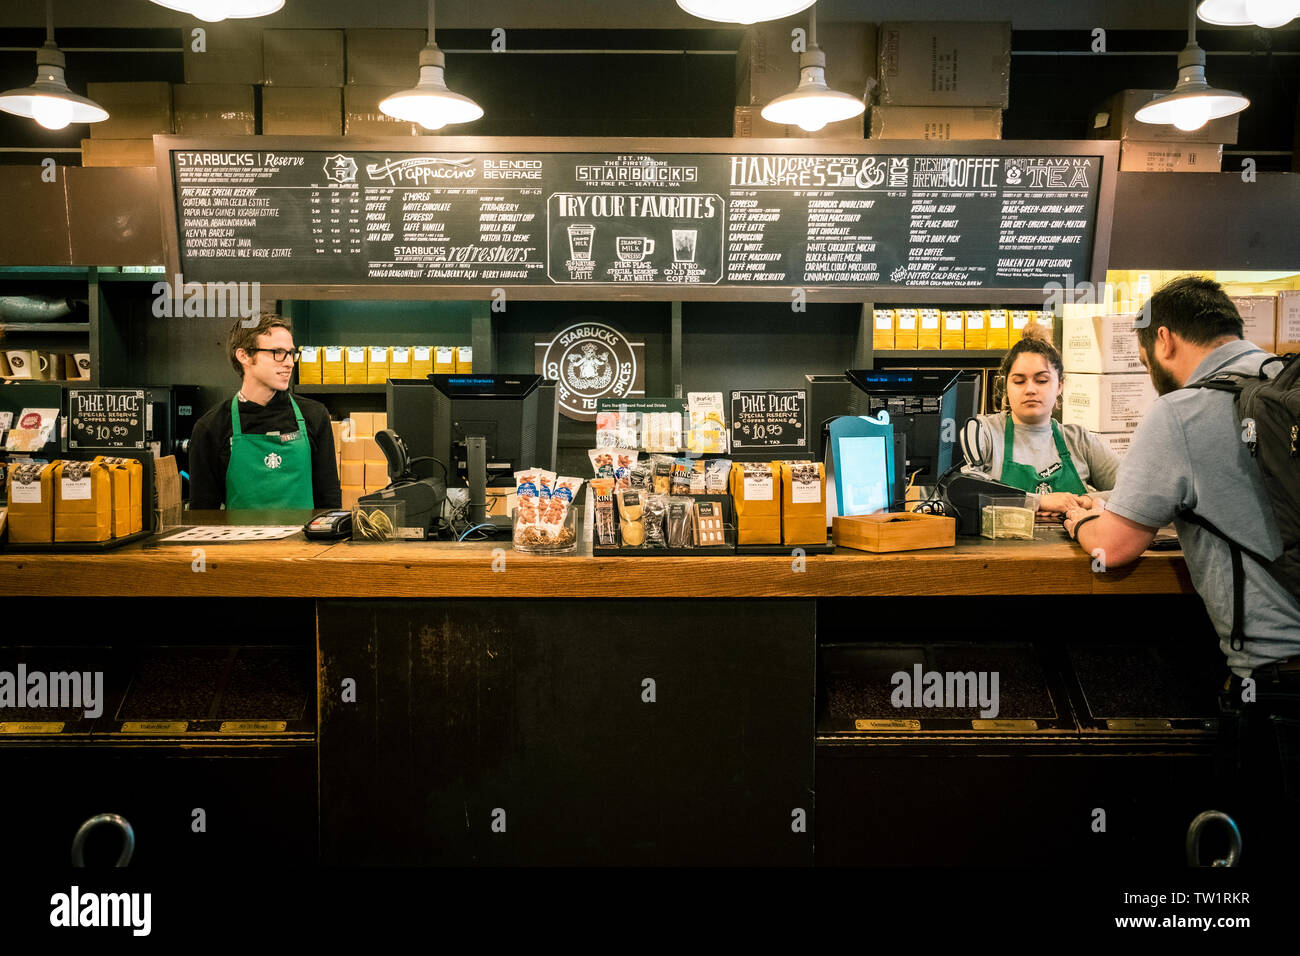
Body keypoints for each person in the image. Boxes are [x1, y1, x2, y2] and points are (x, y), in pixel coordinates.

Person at [1061, 276, 1300, 863]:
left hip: (1279, 690)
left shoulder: (1183, 411)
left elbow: (1113, 550)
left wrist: (1078, 518)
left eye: (1144, 359)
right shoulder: (1285, 386)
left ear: (1163, 340)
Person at [963, 326, 1120, 516]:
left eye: (1042, 380)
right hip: (1002, 545)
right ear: (1005, 385)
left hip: (1073, 545)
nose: (1030, 389)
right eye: (1019, 381)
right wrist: (1038, 501)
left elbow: (1136, 488)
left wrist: (1088, 501)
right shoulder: (985, 432)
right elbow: (963, 490)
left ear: (1060, 385)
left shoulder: (1079, 440)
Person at [189, 314, 340, 510]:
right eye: (278, 352)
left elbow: (329, 502)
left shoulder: (314, 415)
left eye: (291, 353)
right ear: (244, 356)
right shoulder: (211, 427)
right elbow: (203, 516)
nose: (289, 363)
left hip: (302, 541)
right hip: (240, 541)